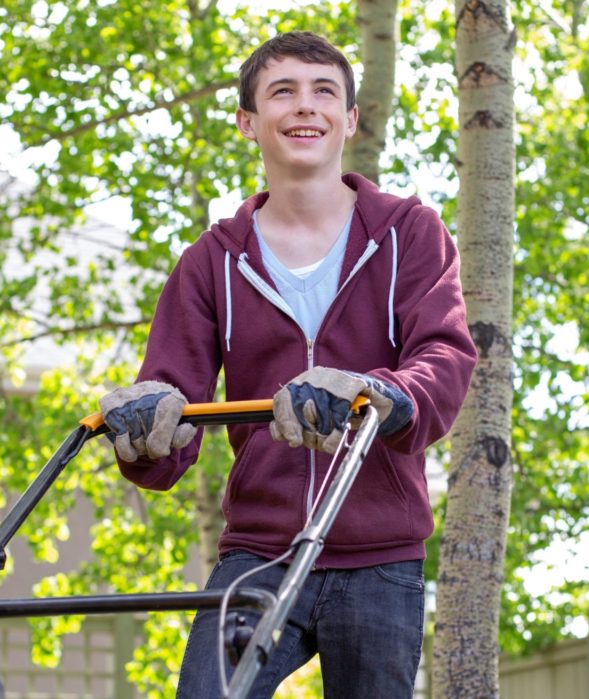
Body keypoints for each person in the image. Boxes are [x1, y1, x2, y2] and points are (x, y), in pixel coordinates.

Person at [99, 31, 477, 698]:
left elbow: (443, 359)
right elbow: (171, 414)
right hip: (257, 554)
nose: (306, 107)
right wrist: (142, 424)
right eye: (283, 92)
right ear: (248, 122)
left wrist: (376, 393)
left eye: (324, 91)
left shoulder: (409, 234)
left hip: (380, 554)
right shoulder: (210, 262)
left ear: (350, 119)